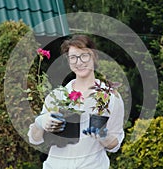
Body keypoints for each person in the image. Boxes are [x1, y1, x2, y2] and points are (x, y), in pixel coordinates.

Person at [27, 35, 125, 169]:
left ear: (94, 56)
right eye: (73, 57)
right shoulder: (57, 96)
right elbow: (35, 139)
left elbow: (114, 144)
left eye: (84, 55)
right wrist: (41, 122)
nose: (79, 62)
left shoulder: (110, 97)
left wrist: (103, 136)